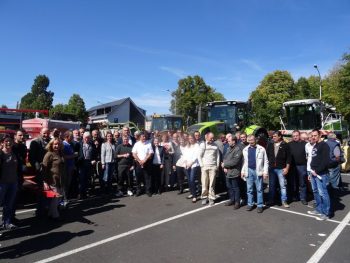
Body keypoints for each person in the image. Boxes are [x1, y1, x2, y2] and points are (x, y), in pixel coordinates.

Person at [241, 135, 269, 213]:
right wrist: (242, 171)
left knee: (259, 189)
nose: (251, 142)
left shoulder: (261, 149)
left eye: (252, 140)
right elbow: (245, 162)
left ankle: (260, 205)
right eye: (249, 140)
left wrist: (265, 172)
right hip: (248, 170)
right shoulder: (245, 149)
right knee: (249, 189)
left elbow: (266, 162)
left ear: (255, 140)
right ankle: (250, 204)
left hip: (258, 171)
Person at [307, 129, 331, 220]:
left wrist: (317, 170)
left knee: (323, 193)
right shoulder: (316, 145)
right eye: (312, 135)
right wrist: (311, 171)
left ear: (320, 135)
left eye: (315, 135)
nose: (313, 137)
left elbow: (325, 161)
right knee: (316, 191)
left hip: (321, 173)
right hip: (313, 172)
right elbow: (314, 159)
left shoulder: (324, 146)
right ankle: (319, 209)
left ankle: (326, 213)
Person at [29, 127, 51, 217]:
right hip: (41, 170)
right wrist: (38, 168)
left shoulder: (50, 141)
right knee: (41, 191)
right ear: (40, 133)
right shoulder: (35, 142)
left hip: (50, 170)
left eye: (47, 133)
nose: (46, 135)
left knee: (49, 189)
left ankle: (47, 208)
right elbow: (32, 158)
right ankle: (40, 210)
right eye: (44, 133)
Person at [42, 138, 65, 220]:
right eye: (55, 144)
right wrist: (45, 182)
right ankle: (55, 216)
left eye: (58, 144)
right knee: (55, 199)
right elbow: (44, 169)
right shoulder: (49, 154)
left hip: (60, 180)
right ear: (51, 145)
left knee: (57, 198)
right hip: (51, 180)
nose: (57, 146)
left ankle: (50, 214)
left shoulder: (60, 153)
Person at [267, 131, 291, 208]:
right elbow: (267, 155)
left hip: (281, 168)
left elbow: (288, 158)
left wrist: (287, 168)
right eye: (273, 136)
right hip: (272, 168)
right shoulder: (270, 144)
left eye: (275, 136)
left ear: (280, 136)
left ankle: (284, 201)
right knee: (272, 185)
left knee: (283, 185)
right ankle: (271, 200)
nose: (273, 138)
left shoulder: (285, 145)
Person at [0, 137, 19, 229]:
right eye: (6, 141)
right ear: (2, 143)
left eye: (10, 141)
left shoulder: (14, 153)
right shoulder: (1, 154)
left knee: (9, 204)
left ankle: (6, 222)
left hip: (13, 182)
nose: (8, 143)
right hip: (2, 183)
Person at [198, 132, 220, 206]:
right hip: (204, 167)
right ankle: (204, 197)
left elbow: (218, 157)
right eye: (211, 138)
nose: (212, 139)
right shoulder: (203, 145)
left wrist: (217, 166)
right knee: (204, 183)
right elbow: (199, 156)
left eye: (213, 138)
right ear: (206, 137)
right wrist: (202, 166)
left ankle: (211, 198)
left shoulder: (215, 146)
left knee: (212, 184)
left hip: (213, 166)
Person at [222, 134, 243, 210]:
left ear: (234, 141)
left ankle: (237, 202)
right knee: (229, 187)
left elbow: (235, 162)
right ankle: (232, 199)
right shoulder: (228, 148)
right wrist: (224, 166)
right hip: (227, 172)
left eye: (229, 141)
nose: (228, 142)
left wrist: (225, 165)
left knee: (235, 188)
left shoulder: (238, 149)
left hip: (234, 172)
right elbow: (225, 158)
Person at [11, 129, 27, 222]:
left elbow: (23, 159)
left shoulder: (23, 147)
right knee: (10, 198)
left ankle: (12, 216)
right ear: (15, 136)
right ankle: (8, 218)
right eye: (20, 135)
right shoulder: (12, 147)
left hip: (20, 175)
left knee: (15, 197)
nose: (22, 137)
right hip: (12, 175)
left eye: (23, 135)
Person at [288, 130, 308, 205]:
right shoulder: (289, 144)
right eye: (293, 136)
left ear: (299, 135)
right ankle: (295, 196)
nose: (295, 137)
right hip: (292, 166)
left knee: (302, 183)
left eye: (296, 135)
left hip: (302, 166)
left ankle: (303, 198)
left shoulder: (305, 144)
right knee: (294, 182)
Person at [132, 132, 154, 196]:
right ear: (139, 137)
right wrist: (139, 161)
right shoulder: (136, 144)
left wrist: (144, 160)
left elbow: (150, 153)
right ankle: (138, 190)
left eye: (145, 136)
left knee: (147, 177)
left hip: (147, 163)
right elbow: (134, 153)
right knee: (138, 177)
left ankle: (148, 190)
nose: (144, 138)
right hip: (138, 163)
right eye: (142, 136)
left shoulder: (149, 143)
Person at [77, 132, 97, 199]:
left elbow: (95, 154)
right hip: (82, 163)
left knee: (87, 179)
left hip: (89, 163)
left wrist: (94, 160)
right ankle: (80, 193)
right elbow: (76, 154)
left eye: (88, 138)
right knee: (81, 179)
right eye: (85, 137)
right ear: (83, 137)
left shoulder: (92, 144)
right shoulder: (79, 144)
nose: (87, 139)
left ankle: (85, 193)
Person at [62, 131, 76, 207]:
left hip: (70, 167)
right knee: (65, 184)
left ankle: (65, 198)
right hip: (66, 167)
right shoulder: (64, 145)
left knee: (68, 184)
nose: (72, 138)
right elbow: (64, 157)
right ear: (67, 137)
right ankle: (64, 199)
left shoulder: (69, 144)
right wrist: (73, 156)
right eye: (71, 137)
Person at [185, 134, 200, 203]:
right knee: (189, 180)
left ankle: (194, 196)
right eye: (189, 138)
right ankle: (192, 193)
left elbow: (196, 155)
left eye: (192, 138)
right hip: (187, 165)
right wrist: (186, 163)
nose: (190, 139)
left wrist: (191, 163)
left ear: (194, 138)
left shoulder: (197, 145)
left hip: (194, 165)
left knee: (192, 180)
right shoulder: (187, 146)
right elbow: (185, 155)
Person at [101, 131, 117, 195]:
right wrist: (103, 163)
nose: (109, 137)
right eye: (108, 136)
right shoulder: (104, 144)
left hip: (112, 162)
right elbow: (102, 154)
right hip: (107, 162)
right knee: (106, 177)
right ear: (106, 137)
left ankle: (109, 189)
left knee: (110, 177)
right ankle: (104, 190)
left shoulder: (113, 144)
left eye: (110, 136)